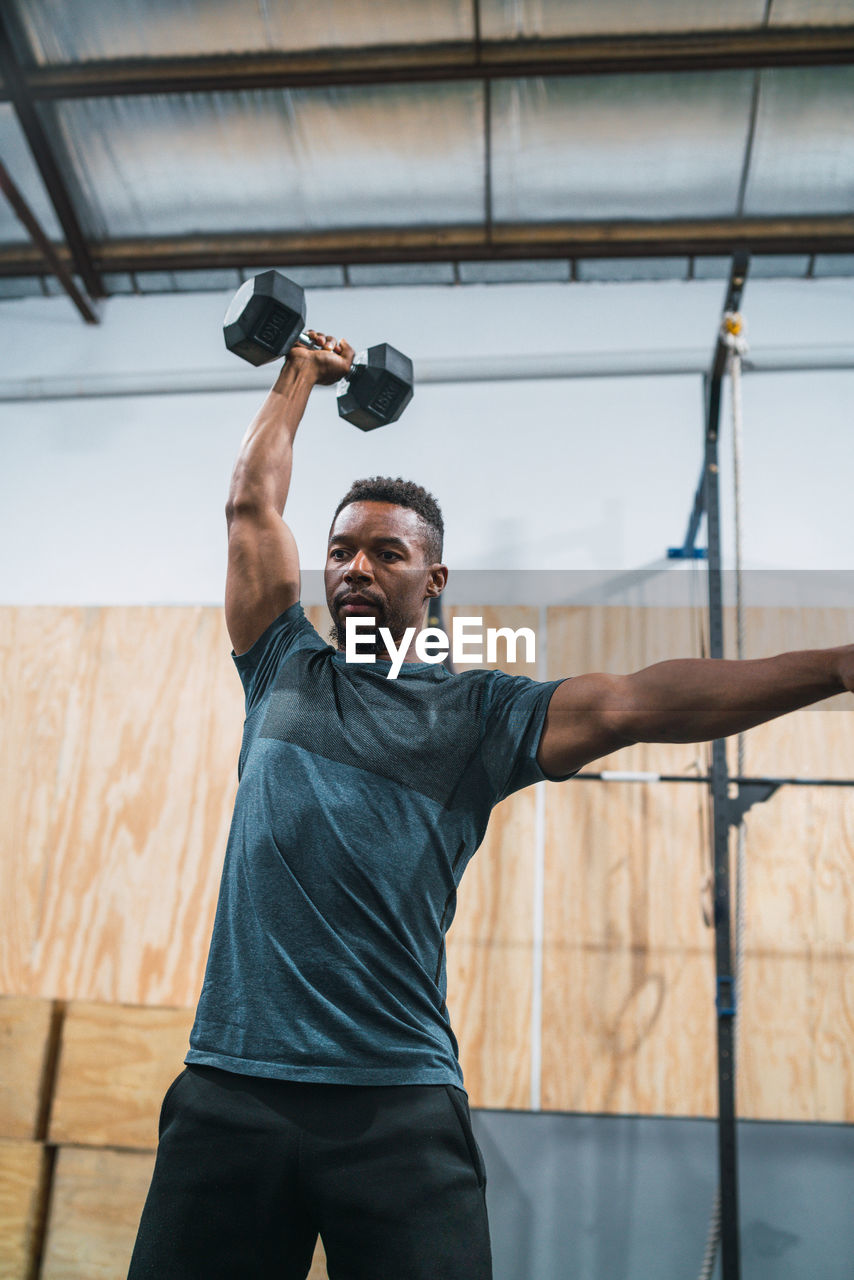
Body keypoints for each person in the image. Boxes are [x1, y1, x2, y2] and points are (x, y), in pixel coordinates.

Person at [129, 332, 852, 1280]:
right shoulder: (280, 667)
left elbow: (637, 701)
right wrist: (301, 369)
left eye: (386, 553)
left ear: (433, 581)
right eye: (340, 552)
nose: (352, 568)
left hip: (395, 1103)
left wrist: (839, 666)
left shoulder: (480, 714)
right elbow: (248, 506)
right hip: (229, 1090)